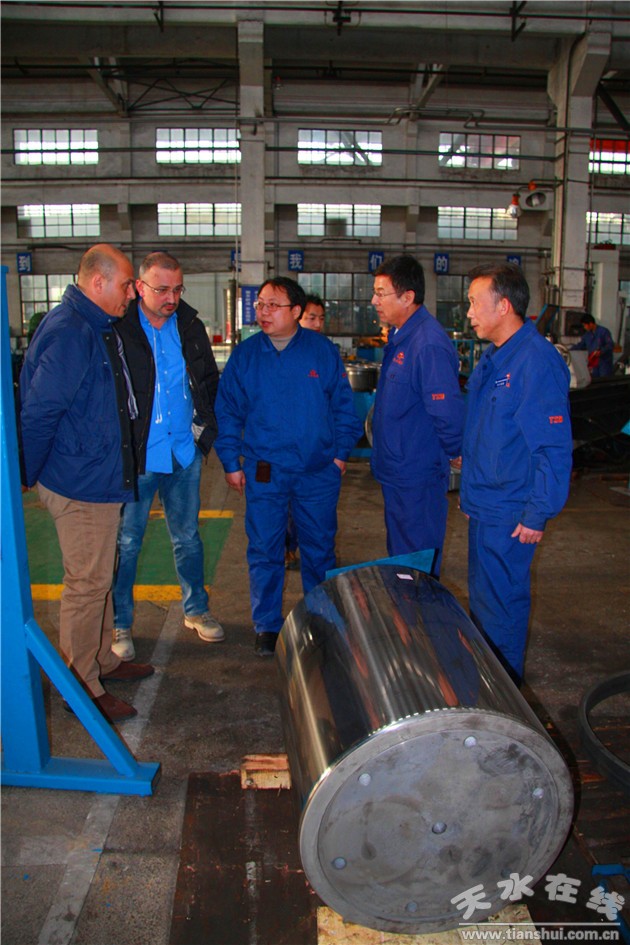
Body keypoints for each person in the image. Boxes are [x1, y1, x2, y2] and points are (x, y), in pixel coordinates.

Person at [19, 244, 155, 724]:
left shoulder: (95, 326)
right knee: (87, 583)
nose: (131, 294)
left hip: (97, 474)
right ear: (98, 282)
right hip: (79, 482)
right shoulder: (71, 333)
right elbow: (39, 413)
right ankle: (81, 685)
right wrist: (26, 475)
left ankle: (101, 660)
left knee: (99, 576)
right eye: (126, 285)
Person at [214, 277, 362, 657]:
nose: (263, 312)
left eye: (273, 305)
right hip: (266, 471)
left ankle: (321, 618)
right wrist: (231, 461)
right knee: (265, 548)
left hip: (317, 472)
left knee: (319, 548)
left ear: (296, 312)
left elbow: (344, 408)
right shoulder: (246, 356)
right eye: (260, 304)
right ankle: (267, 625)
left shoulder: (321, 352)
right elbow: (227, 411)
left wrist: (339, 455)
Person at [460, 262, 573, 683]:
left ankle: (503, 695)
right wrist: (471, 495)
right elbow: (487, 434)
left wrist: (537, 512)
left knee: (501, 610)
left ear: (504, 306)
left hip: (511, 512)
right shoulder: (495, 358)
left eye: (475, 303)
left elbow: (552, 446)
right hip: (487, 505)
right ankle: (488, 687)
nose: (469, 313)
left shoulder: (535, 361)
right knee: (484, 606)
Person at [111, 251, 223, 660]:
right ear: (139, 287)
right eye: (162, 289)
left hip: (182, 453)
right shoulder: (119, 328)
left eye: (177, 289)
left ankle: (196, 610)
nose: (171, 298)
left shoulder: (190, 327)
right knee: (127, 542)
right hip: (138, 456)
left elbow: (208, 381)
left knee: (188, 538)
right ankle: (120, 623)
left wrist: (203, 435)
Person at [369, 254, 464, 577]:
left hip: (417, 475)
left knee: (417, 562)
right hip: (399, 470)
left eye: (381, 293)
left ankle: (419, 608)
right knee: (402, 558)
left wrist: (455, 450)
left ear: (407, 297)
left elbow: (446, 410)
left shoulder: (427, 344)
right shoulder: (402, 336)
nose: (374, 301)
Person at [285, 292, 327, 570]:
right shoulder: (283, 352)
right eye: (312, 318)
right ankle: (286, 547)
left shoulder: (324, 353)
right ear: (297, 316)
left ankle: (303, 549)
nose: (317, 324)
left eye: (321, 318)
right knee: (286, 505)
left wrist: (338, 453)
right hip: (286, 449)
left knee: (312, 510)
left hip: (316, 451)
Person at [571, 313, 614, 378]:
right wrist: (568, 350)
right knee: (595, 380)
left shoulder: (604, 332)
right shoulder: (587, 335)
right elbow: (580, 345)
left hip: (604, 363)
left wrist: (601, 351)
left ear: (590, 324)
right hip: (594, 363)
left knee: (604, 380)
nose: (584, 327)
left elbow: (610, 345)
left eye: (585, 325)